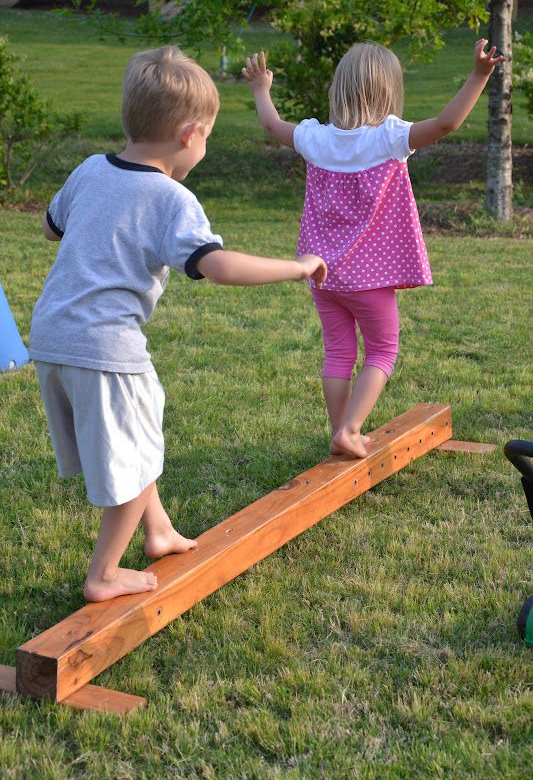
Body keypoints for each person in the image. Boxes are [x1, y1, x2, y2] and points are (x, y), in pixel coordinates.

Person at [29, 46, 327, 603]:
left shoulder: (91, 169)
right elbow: (219, 267)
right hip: (104, 344)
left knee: (137, 438)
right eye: (209, 135)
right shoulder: (172, 198)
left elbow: (52, 229)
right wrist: (296, 267)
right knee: (134, 451)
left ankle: (159, 529)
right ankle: (103, 573)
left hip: (50, 334)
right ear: (190, 134)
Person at [243, 39, 503, 459]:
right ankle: (349, 429)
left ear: (339, 90)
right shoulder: (388, 139)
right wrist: (479, 75)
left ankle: (338, 431)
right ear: (388, 92)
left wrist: (260, 90)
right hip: (370, 278)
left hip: (321, 273)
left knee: (339, 351)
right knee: (382, 349)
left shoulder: (315, 138)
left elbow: (273, 127)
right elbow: (446, 124)